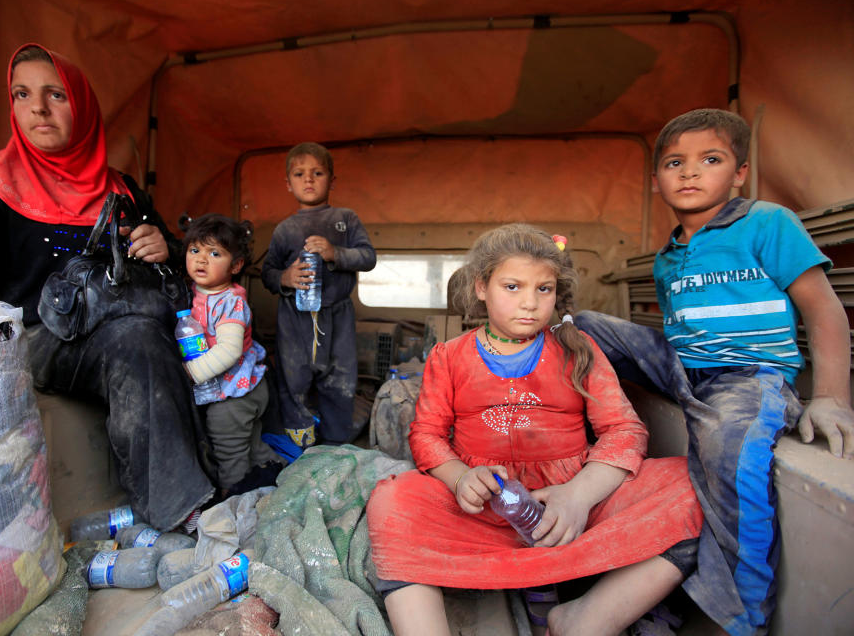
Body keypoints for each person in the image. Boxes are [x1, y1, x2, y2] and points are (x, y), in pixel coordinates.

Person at [0, 44, 215, 533]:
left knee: (154, 336)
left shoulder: (123, 190)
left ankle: (211, 483)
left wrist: (164, 246)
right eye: (22, 94)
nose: (38, 108)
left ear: (83, 108)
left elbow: (177, 258)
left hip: (127, 326)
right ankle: (181, 512)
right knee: (137, 340)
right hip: (41, 336)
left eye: (56, 95)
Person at [575, 108, 854, 635]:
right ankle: (577, 445)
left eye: (710, 159)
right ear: (657, 182)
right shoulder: (667, 257)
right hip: (684, 368)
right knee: (583, 324)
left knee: (730, 452)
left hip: (749, 374)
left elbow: (824, 310)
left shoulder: (768, 223)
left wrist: (832, 397)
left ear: (740, 172)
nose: (689, 172)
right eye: (674, 163)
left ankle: (740, 616)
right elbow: (678, 332)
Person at [366, 224, 704, 636]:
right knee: (393, 501)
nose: (529, 303)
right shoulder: (449, 356)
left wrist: (578, 497)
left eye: (543, 289)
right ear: (481, 288)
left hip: (575, 505)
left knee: (694, 486)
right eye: (512, 287)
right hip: (484, 511)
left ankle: (584, 618)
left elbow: (624, 431)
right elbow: (426, 435)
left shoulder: (578, 349)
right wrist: (460, 479)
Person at [261, 142, 376, 446]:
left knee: (340, 381)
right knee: (293, 378)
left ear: (332, 180)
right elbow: (267, 273)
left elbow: (368, 257)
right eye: (299, 174)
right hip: (294, 318)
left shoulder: (346, 219)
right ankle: (300, 444)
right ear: (288, 184)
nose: (308, 180)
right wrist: (285, 277)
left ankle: (336, 446)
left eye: (317, 173)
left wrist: (335, 252)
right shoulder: (285, 229)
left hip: (337, 315)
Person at [181, 214, 282, 498]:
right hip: (239, 387)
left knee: (228, 444)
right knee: (249, 443)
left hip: (237, 393)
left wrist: (190, 373)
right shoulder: (199, 291)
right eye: (195, 250)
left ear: (236, 265)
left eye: (215, 253)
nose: (202, 260)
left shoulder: (229, 303)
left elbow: (229, 350)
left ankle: (233, 497)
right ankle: (272, 470)